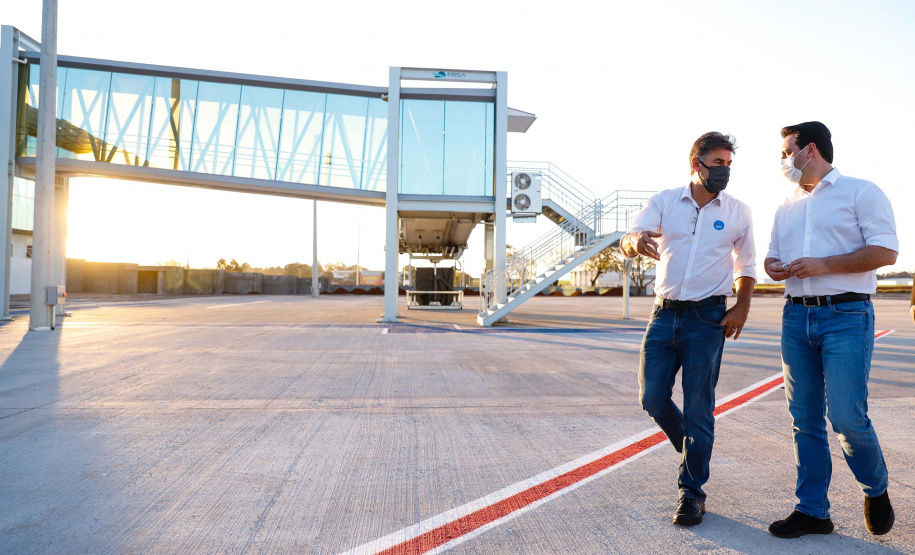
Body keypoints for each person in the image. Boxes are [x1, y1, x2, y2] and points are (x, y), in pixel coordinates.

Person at [764, 121, 897, 538]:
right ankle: (812, 511)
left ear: (812, 150)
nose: (783, 160)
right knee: (803, 418)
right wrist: (772, 268)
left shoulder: (861, 191)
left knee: (845, 415)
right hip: (795, 316)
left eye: (788, 151)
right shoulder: (785, 205)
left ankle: (875, 489)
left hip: (846, 316)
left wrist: (825, 264)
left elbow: (885, 250)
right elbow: (771, 259)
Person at [622, 132, 756, 526]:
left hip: (708, 319)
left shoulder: (738, 211)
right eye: (718, 163)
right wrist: (635, 241)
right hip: (663, 315)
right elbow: (631, 239)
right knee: (653, 399)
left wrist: (742, 307)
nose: (724, 171)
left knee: (700, 410)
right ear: (696, 164)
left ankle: (691, 492)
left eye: (729, 164)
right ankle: (694, 452)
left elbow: (746, 266)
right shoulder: (665, 201)